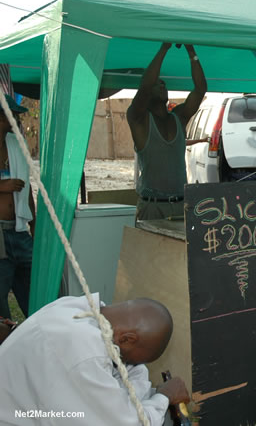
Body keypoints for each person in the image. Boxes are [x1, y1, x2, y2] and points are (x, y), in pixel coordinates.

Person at [0, 294, 190, 425]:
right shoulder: (84, 352)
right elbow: (126, 423)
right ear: (127, 339)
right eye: (129, 360)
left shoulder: (75, 307)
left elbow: (129, 370)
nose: (128, 365)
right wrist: (165, 396)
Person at [128, 43, 207, 221]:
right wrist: (164, 48)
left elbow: (200, 89)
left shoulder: (179, 117)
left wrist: (191, 52)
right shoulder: (139, 119)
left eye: (164, 84)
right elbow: (145, 86)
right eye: (157, 84)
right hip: (152, 206)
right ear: (147, 94)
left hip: (181, 204)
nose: (162, 85)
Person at [0, 94, 35, 320]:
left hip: (20, 230)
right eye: (11, 116)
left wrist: (36, 224)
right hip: (0, 235)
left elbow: (28, 187)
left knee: (34, 293)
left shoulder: (16, 145)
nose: (16, 121)